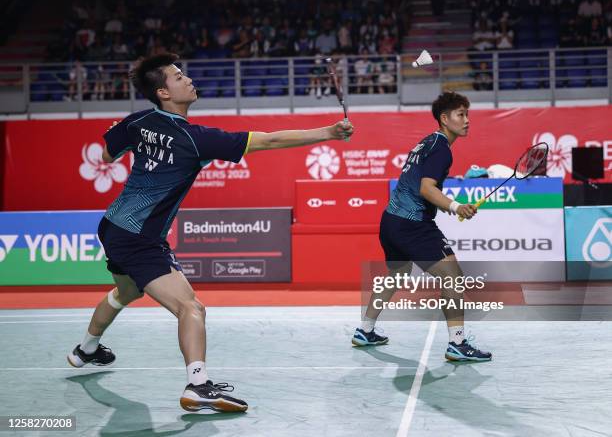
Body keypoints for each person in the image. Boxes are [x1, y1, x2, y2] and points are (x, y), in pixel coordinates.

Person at [67, 53, 354, 412]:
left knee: (125, 291)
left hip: (113, 227)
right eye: (177, 76)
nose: (187, 79)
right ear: (163, 92)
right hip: (140, 238)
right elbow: (268, 141)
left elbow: (108, 155)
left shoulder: (137, 122)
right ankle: (198, 386)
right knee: (192, 308)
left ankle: (85, 350)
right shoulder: (196, 139)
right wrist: (328, 132)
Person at [351, 92, 492, 363]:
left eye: (467, 114)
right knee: (453, 277)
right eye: (461, 115)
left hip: (390, 220)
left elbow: (421, 188)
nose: (467, 121)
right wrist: (456, 206)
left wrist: (445, 204)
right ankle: (458, 343)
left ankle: (365, 330)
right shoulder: (441, 149)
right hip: (412, 224)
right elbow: (426, 189)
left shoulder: (427, 142)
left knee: (397, 274)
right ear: (444, 118)